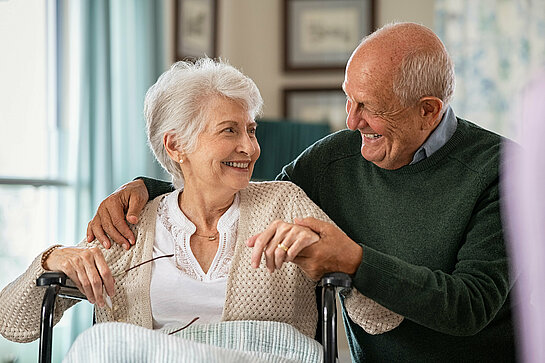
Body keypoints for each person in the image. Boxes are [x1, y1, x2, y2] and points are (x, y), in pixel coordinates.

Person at [87, 23, 516, 362]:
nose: (352, 123)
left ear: (428, 110)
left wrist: (354, 260)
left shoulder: (507, 170)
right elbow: (253, 196)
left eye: (370, 107)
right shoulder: (335, 159)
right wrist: (150, 193)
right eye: (349, 100)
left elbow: (471, 306)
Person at [0, 58, 400, 347]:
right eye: (229, 131)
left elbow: (380, 316)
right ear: (176, 146)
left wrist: (341, 260)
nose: (249, 147)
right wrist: (52, 259)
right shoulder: (132, 226)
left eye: (251, 130)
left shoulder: (284, 202)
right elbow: (12, 322)